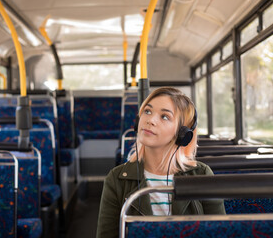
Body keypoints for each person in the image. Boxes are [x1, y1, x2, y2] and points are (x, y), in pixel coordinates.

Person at [96, 87, 225, 238]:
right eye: (147, 111)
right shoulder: (117, 178)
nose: (150, 120)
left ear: (181, 134)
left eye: (164, 116)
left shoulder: (202, 175)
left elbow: (219, 232)